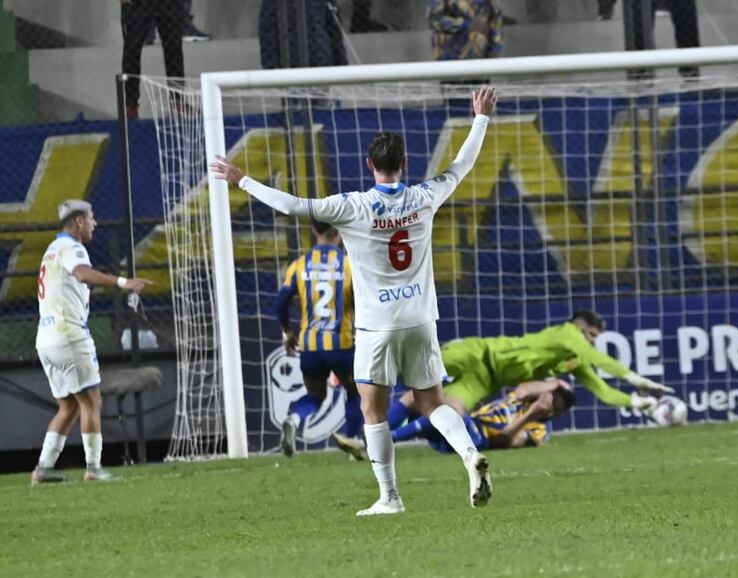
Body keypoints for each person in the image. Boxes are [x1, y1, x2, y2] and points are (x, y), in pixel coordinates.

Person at [210, 86, 498, 516]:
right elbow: (462, 165)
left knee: (372, 408)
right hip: (420, 318)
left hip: (376, 325)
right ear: (404, 164)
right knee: (433, 403)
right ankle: (468, 454)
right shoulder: (424, 197)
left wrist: (243, 180)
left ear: (370, 165)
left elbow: (292, 206)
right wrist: (480, 119)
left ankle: (390, 497)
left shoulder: (352, 207)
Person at [31, 200, 152, 485]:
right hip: (68, 335)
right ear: (78, 223)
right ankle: (94, 469)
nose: (95, 223)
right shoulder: (73, 248)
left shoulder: (51, 249)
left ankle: (43, 469)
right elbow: (82, 273)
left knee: (69, 406)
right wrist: (124, 283)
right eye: (91, 218)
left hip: (46, 338)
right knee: (91, 400)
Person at [388, 310, 671, 424]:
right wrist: (633, 376)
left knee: (451, 415)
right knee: (412, 368)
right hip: (480, 352)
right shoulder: (568, 333)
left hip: (488, 380)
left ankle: (383, 440)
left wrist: (639, 401)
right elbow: (600, 360)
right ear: (579, 327)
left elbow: (603, 391)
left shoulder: (575, 357)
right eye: (591, 335)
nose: (591, 342)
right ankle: (364, 364)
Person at [274, 220, 363, 458]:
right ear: (339, 233)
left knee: (315, 395)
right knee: (355, 392)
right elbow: (363, 301)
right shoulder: (349, 265)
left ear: (315, 232)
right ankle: (352, 442)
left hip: (311, 346)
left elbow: (280, 304)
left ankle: (294, 419)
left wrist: (287, 332)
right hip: (342, 345)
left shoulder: (299, 265)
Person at [334, 379, 575, 459]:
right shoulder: (520, 400)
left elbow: (505, 439)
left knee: (449, 409)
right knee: (415, 397)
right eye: (550, 397)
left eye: (555, 405)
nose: (547, 403)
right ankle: (376, 435)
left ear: (557, 413)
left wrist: (534, 413)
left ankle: (377, 442)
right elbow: (523, 388)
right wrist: (552, 384)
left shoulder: (540, 431)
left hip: (475, 439)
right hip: (461, 426)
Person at [429, 0, 502, 106]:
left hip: (481, 63)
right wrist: (466, 25)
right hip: (452, 64)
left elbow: (495, 18)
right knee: (457, 112)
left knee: (482, 110)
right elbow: (434, 20)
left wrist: (495, 49)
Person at [121, 0, 186, 119]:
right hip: (137, 5)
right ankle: (130, 106)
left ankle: (177, 102)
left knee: (174, 47)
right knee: (132, 49)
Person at [259, 0, 347, 70]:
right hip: (291, 64)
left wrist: (342, 63)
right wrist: (271, 68)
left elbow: (335, 31)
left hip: (322, 62)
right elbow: (268, 32)